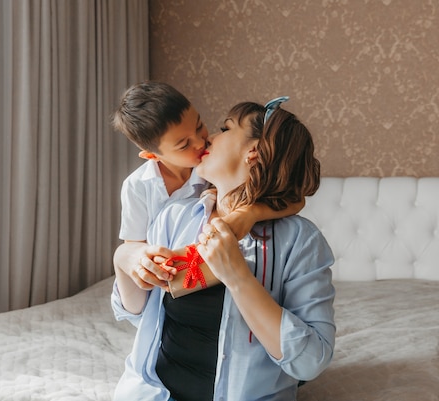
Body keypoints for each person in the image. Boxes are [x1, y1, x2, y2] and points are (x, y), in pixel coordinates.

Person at [111, 97, 336, 401]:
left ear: (253, 152)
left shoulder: (299, 241)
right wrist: (127, 261)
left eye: (224, 128)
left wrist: (239, 279)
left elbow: (311, 361)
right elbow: (135, 311)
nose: (208, 138)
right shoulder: (174, 216)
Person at [111, 82, 303, 294]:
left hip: (218, 267)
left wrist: (250, 213)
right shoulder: (137, 187)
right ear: (151, 155)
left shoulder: (210, 168)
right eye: (184, 145)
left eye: (199, 126)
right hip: (169, 277)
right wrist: (140, 259)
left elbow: (295, 199)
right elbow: (133, 247)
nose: (200, 142)